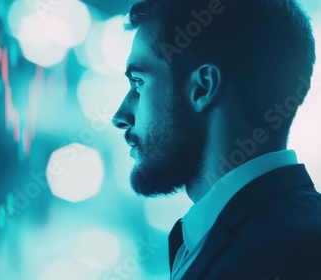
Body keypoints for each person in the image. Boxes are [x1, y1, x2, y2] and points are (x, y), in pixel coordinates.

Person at [112, 0, 321, 279]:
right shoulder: (206, 240)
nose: (120, 116)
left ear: (203, 87)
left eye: (139, 82)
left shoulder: (295, 251)